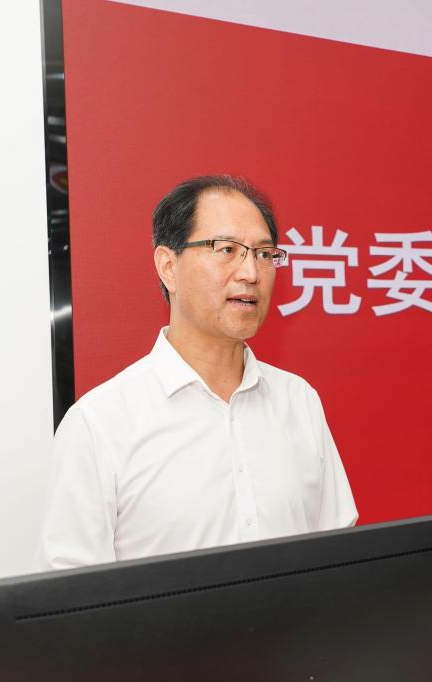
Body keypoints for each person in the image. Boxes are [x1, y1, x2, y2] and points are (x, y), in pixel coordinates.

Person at [34, 175, 358, 570]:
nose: (251, 273)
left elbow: (340, 561)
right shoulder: (100, 424)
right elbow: (70, 591)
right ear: (168, 267)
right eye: (227, 250)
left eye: (263, 253)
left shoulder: (298, 401)